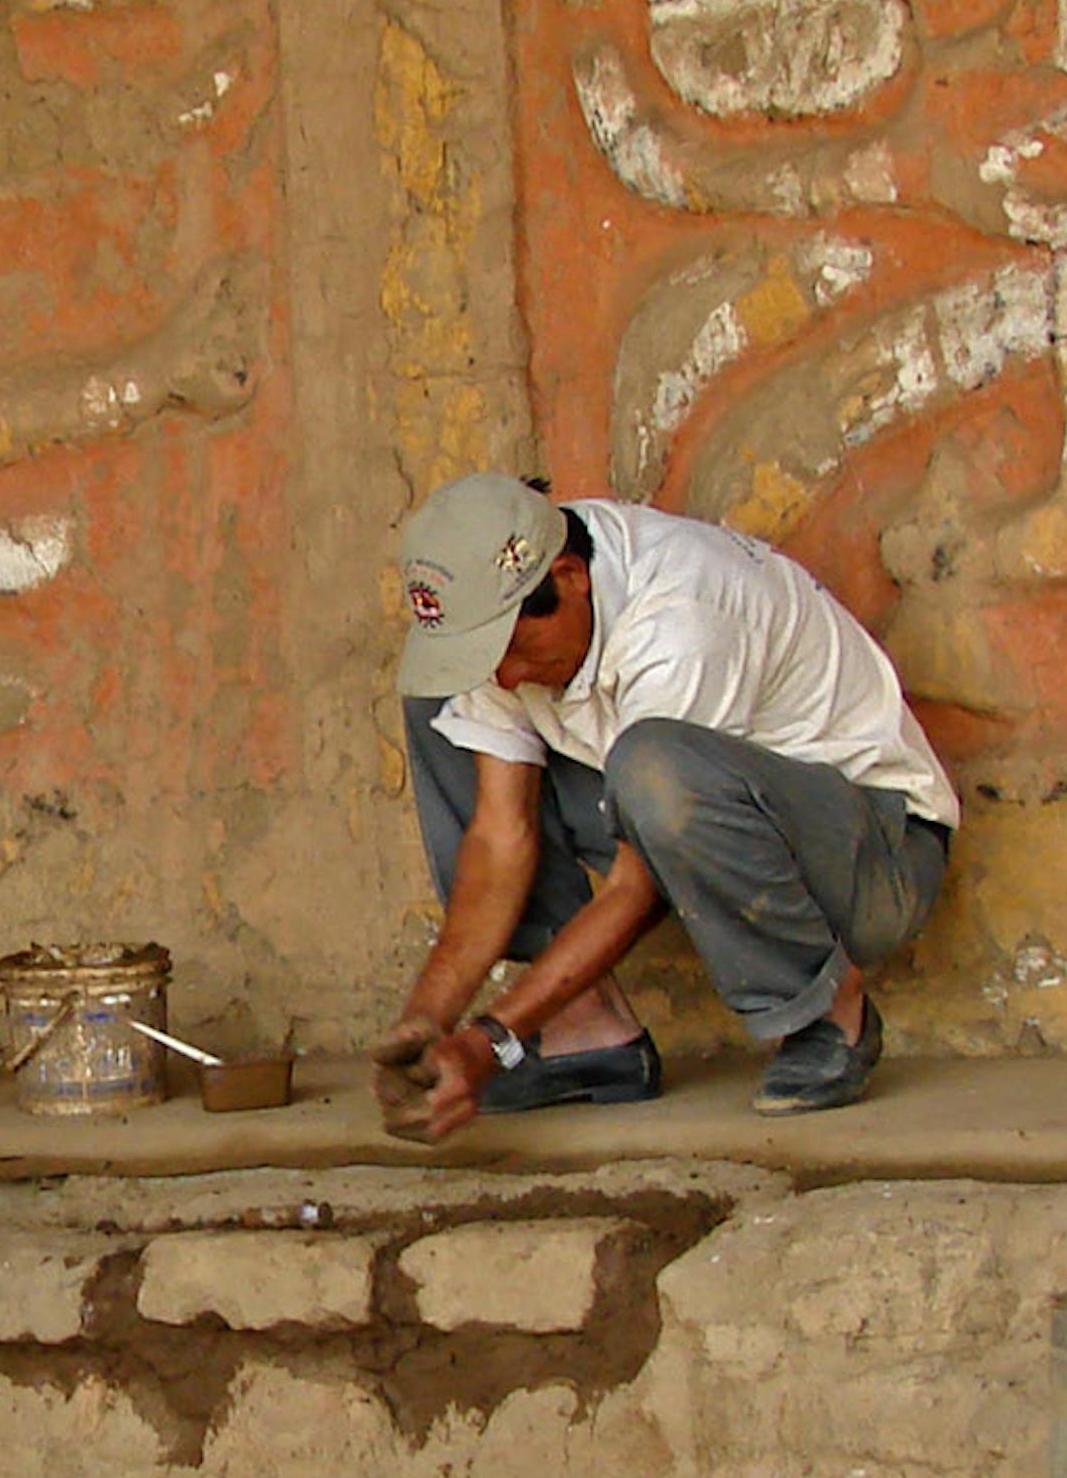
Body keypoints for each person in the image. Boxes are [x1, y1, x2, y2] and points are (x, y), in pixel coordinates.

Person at [377, 474, 956, 1132]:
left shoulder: (681, 618)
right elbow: (498, 835)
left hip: (873, 856)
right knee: (442, 702)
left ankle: (831, 1011)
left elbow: (638, 884)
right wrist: (426, 1022)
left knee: (653, 768)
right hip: (705, 823)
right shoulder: (525, 584)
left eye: (512, 649)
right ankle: (582, 1026)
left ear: (569, 578)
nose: (505, 677)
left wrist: (491, 1042)